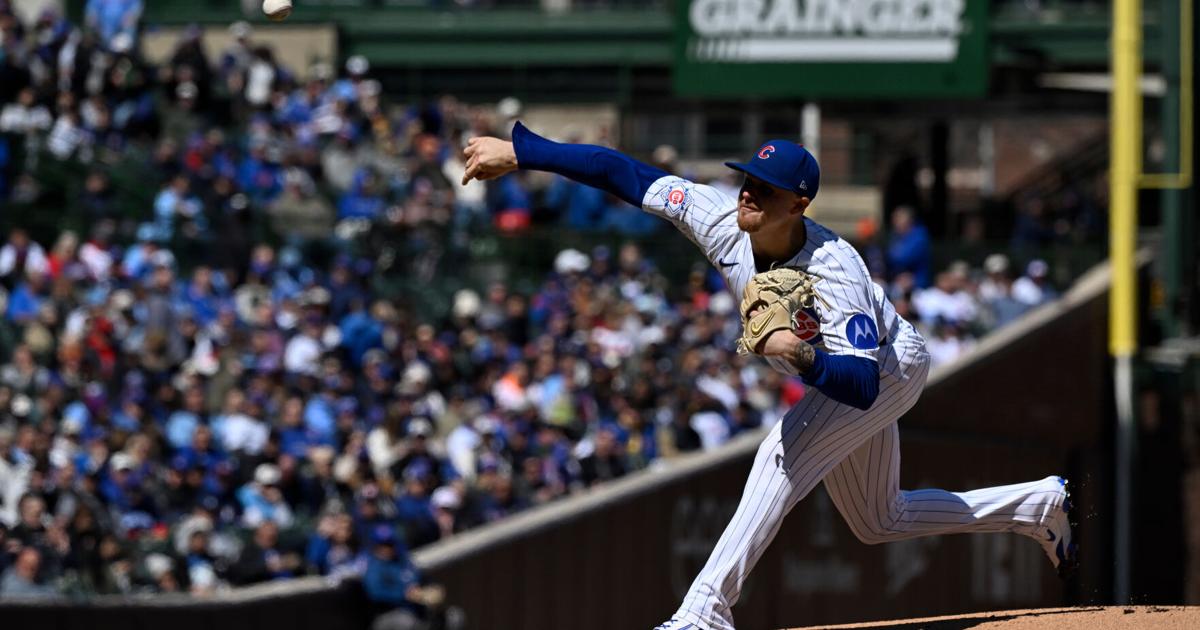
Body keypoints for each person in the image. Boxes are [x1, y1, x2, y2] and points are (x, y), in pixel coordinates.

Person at [460, 124, 1077, 630]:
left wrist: (799, 355)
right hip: (845, 375)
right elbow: (619, 170)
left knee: (780, 454)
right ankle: (1036, 505)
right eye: (748, 180)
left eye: (766, 189)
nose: (748, 194)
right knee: (879, 519)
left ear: (799, 203)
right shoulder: (719, 217)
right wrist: (521, 152)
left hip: (886, 368)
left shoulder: (836, 270)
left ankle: (705, 612)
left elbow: (861, 385)